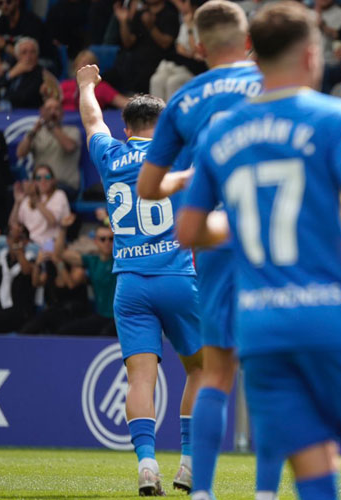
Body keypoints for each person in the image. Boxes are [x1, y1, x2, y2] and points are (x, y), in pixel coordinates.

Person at [175, 3, 341, 499]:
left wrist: (246, 224)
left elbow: (188, 230)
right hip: (329, 315)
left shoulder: (219, 132)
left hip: (260, 326)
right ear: (312, 56)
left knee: (314, 468)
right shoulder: (332, 116)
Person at [135, 1, 262, 496]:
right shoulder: (273, 84)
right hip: (274, 238)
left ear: (197, 46)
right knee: (277, 367)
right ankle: (268, 490)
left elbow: (148, 185)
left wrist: (183, 179)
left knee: (218, 367)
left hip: (210, 239)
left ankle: (200, 484)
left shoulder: (184, 100)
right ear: (247, 40)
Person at [77, 64, 204, 496]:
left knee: (141, 380)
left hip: (129, 283)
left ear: (126, 126)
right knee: (203, 371)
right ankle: (188, 465)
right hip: (177, 277)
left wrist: (85, 85)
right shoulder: (177, 153)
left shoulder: (110, 156)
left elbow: (92, 118)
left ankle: (147, 465)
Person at [56, 220, 118, 336]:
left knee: (105, 335)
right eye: (102, 239)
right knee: (65, 331)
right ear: (96, 241)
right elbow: (60, 253)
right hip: (101, 316)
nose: (107, 243)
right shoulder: (92, 261)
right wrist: (63, 229)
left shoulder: (120, 260)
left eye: (111, 239)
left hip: (119, 318)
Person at [106, 0, 181, 94]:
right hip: (135, 63)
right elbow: (128, 42)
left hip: (159, 63)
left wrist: (151, 27)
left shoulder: (170, 14)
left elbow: (165, 44)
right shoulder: (140, 13)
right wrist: (123, 22)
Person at [16, 98, 81, 196]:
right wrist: (33, 132)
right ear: (42, 112)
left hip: (64, 186)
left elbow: (69, 147)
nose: (52, 112)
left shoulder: (72, 131)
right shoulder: (36, 134)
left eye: (56, 109)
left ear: (62, 113)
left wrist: (50, 126)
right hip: (40, 185)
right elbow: (20, 153)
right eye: (48, 109)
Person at [0, 221, 35, 332]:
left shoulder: (30, 258)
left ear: (27, 242)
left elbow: (26, 271)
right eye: (11, 237)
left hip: (20, 312)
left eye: (20, 237)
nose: (14, 240)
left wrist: (17, 248)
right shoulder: (2, 257)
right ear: (7, 240)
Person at [8, 164, 71, 249]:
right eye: (38, 178)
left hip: (51, 244)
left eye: (47, 177)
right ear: (34, 182)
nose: (43, 180)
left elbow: (52, 222)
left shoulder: (59, 195)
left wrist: (36, 201)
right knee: (1, 242)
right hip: (28, 242)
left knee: (27, 249)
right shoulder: (27, 199)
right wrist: (17, 203)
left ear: (52, 180)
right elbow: (13, 225)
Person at [61, 50, 130, 112]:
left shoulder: (102, 88)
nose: (85, 67)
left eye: (89, 64)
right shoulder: (64, 85)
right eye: (82, 63)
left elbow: (124, 103)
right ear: (75, 66)